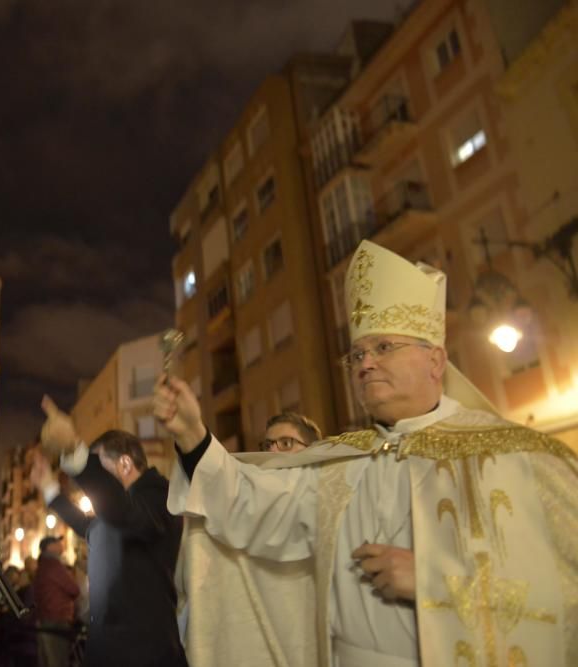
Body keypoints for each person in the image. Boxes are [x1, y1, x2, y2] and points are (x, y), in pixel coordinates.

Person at [154, 239, 578, 667]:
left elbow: (563, 591)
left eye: (383, 348)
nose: (364, 364)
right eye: (356, 354)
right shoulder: (340, 464)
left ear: (436, 361)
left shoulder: (510, 457)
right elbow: (249, 502)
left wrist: (433, 582)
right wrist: (192, 434)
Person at [32, 398, 188, 667]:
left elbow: (124, 514)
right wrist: (49, 490)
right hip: (107, 652)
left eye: (100, 466)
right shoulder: (119, 511)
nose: (93, 486)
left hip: (143, 655)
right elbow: (90, 528)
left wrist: (72, 447)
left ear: (125, 464)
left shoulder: (158, 496)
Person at [33, 535, 79, 667]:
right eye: (57, 542)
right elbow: (74, 589)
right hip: (56, 619)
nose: (61, 544)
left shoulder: (43, 565)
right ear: (50, 547)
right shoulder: (53, 565)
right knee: (57, 660)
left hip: (45, 617)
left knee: (46, 659)